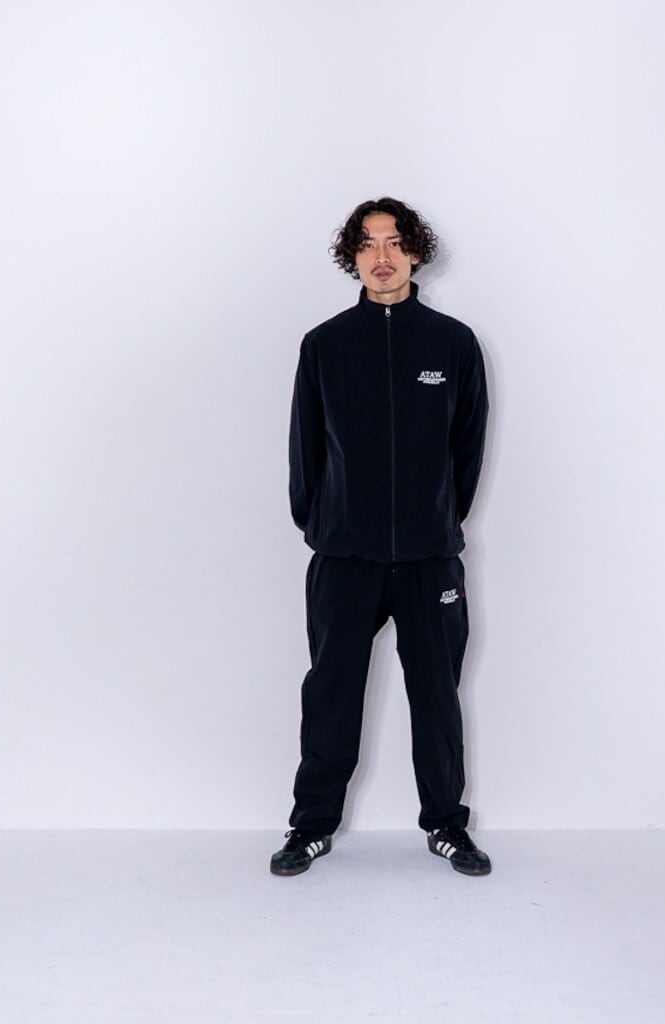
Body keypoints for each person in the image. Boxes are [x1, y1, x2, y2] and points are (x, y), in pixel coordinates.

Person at [271, 197, 491, 877]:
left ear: (416, 252)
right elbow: (305, 451)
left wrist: (435, 522)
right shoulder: (325, 345)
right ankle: (311, 826)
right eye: (367, 245)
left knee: (437, 697)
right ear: (353, 257)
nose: (382, 257)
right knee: (331, 693)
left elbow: (467, 452)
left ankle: (447, 825)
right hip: (345, 557)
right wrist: (326, 526)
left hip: (430, 559)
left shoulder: (453, 344)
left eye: (395, 242)